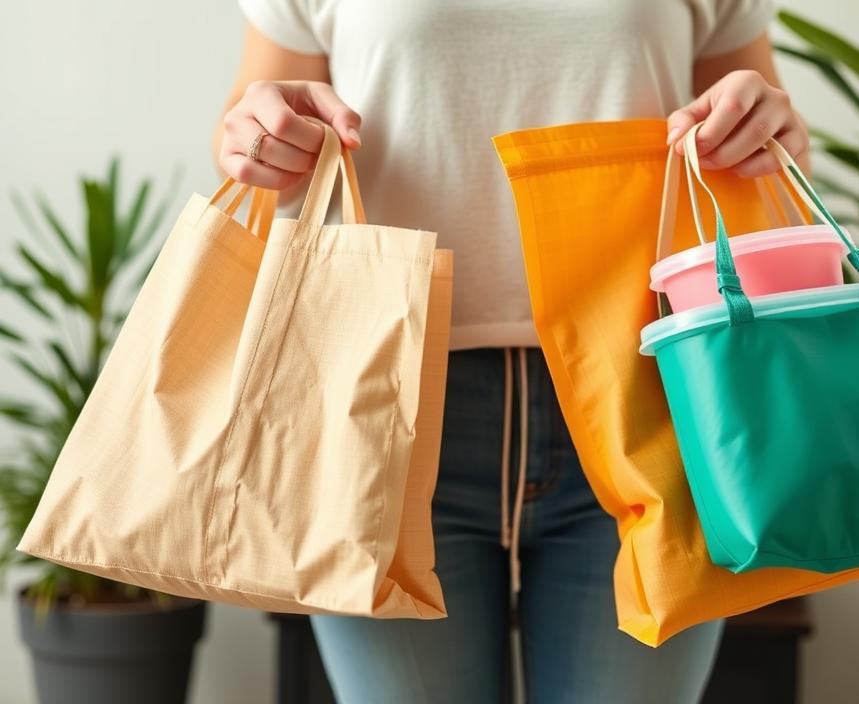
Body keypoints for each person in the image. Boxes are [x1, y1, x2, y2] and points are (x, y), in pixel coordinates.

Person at [214, 2, 807, 702]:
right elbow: (251, 134)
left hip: (649, 398)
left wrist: (769, 127)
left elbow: (762, 145)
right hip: (380, 408)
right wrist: (260, 134)